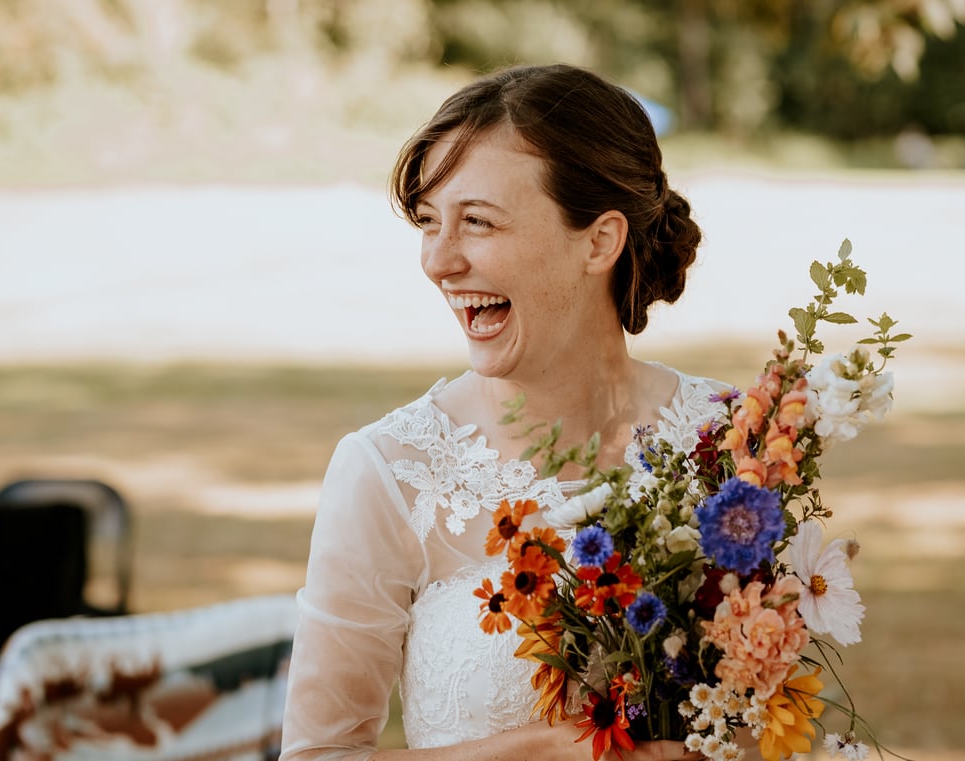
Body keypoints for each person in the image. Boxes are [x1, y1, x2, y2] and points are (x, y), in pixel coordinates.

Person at [280, 63, 728, 761]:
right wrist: (543, 754)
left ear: (600, 241)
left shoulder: (727, 442)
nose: (437, 260)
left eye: (478, 222)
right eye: (430, 222)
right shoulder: (390, 471)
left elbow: (771, 720)